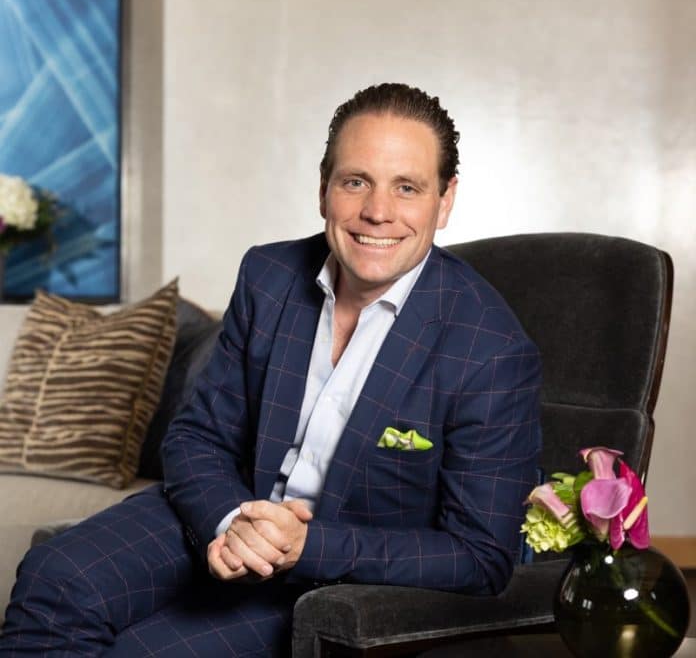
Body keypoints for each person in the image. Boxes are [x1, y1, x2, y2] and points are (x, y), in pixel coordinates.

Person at [0, 83, 542, 656]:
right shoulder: (269, 276)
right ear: (323, 188)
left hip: (339, 569)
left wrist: (305, 546)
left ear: (445, 199)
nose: (377, 211)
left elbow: (481, 555)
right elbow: (197, 437)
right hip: (232, 511)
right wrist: (230, 520)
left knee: (142, 651)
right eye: (355, 181)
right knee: (53, 580)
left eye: (406, 187)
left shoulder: (491, 349)